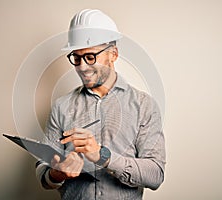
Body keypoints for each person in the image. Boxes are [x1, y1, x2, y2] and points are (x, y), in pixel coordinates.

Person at [35, 9, 165, 200]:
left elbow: (156, 175)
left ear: (113, 54)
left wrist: (103, 156)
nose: (82, 67)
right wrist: (57, 173)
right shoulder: (61, 107)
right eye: (76, 58)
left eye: (90, 57)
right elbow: (42, 170)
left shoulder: (144, 106)